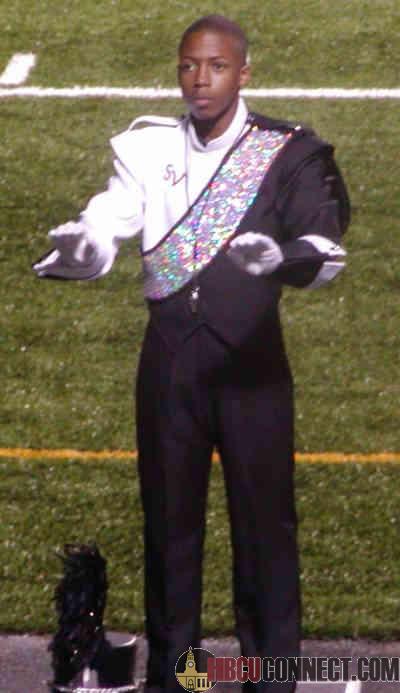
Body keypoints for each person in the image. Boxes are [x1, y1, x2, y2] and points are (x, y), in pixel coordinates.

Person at [34, 14, 350, 692]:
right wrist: (88, 241)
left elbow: (326, 245)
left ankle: (270, 679)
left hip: (253, 371)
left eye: (216, 66)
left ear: (244, 73)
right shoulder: (146, 147)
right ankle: (177, 678)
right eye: (188, 65)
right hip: (170, 365)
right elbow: (113, 215)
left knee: (264, 532)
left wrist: (281, 257)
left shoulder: (287, 152)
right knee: (169, 528)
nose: (199, 80)